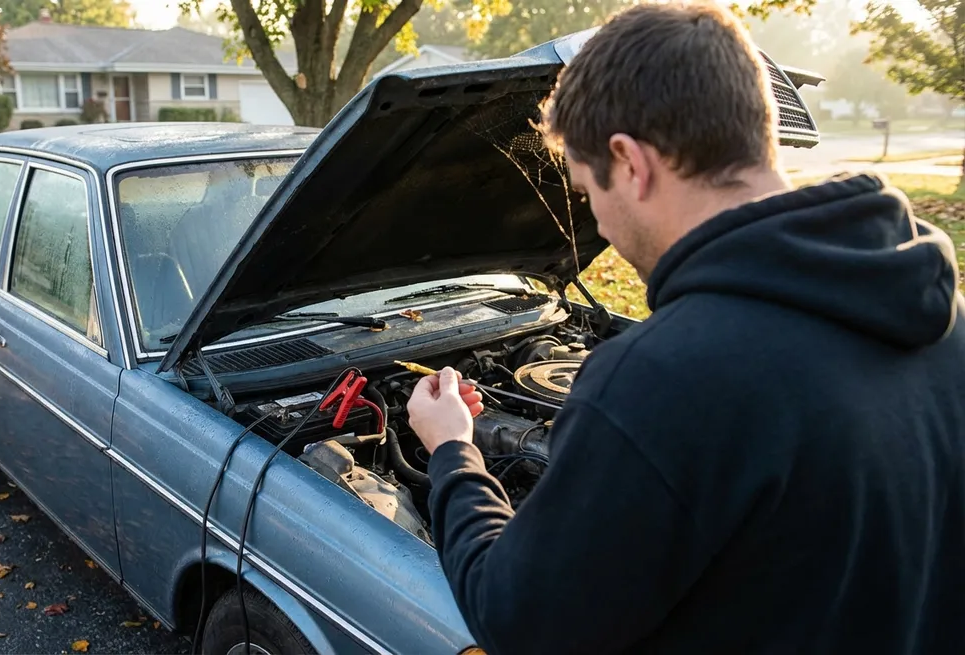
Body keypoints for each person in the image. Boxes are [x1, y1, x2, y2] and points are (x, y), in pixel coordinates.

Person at [405, 2, 965, 654]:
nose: (602, 232)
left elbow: (517, 621)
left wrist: (452, 452)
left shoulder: (663, 381)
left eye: (588, 196)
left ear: (631, 161)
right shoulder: (938, 319)